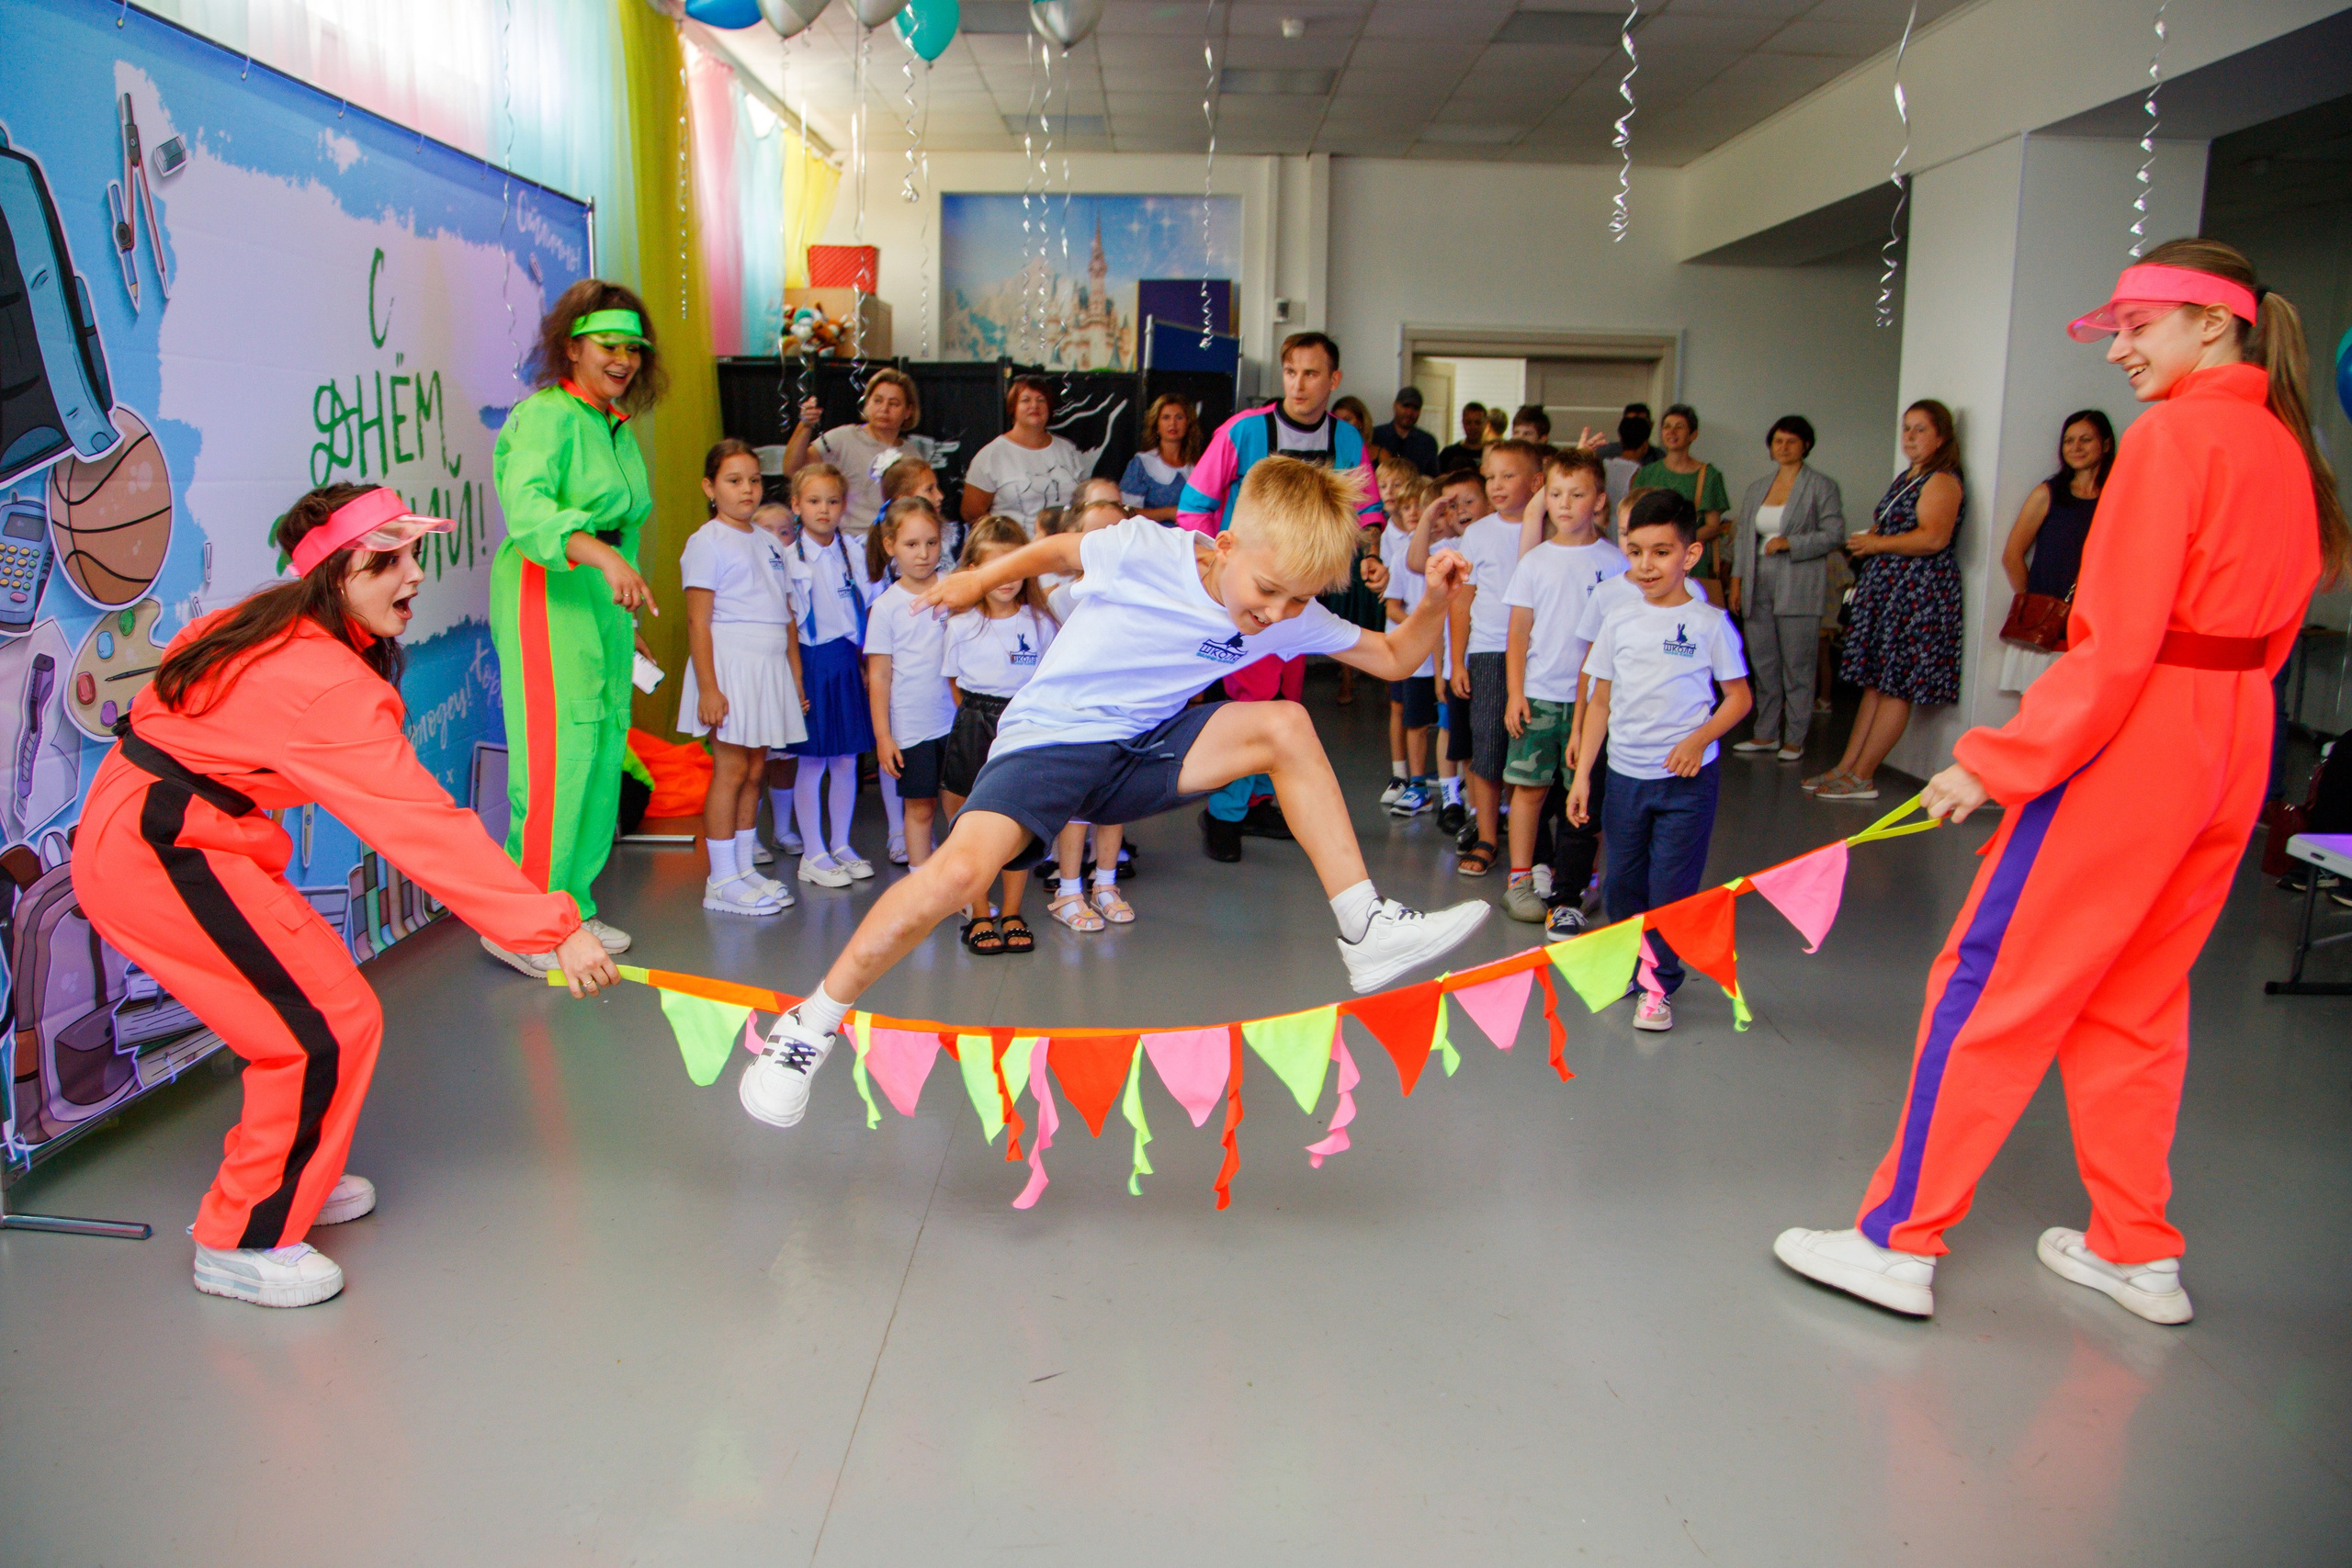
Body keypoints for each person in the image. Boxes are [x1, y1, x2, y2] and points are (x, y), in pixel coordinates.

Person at [1773, 240, 2344, 1325]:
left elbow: (2116, 645)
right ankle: (2137, 1248)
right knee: (2137, 999)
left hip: (2140, 740)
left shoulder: (2171, 436)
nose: (2119, 349)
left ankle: (1896, 1241)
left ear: (2213, 322)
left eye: (2138, 325)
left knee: (1988, 984)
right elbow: (2268, 643)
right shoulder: (2282, 446)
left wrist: (1994, 761)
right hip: (2235, 741)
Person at [737, 458, 1493, 1127]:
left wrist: (1435, 599)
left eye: (1297, 602)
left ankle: (1364, 926)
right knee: (959, 874)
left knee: (1287, 724)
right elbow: (1061, 550)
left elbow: (1395, 657)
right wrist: (976, 579)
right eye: (1268, 591)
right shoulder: (1149, 550)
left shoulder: (1285, 611)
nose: (1276, 615)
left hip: (1140, 751)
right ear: (1226, 545)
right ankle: (809, 1024)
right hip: (1050, 740)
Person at [74, 483, 616, 1307]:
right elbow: (423, 827)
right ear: (334, 573)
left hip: (185, 833)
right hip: (158, 849)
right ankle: (242, 1237)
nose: (415, 574)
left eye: (415, 556)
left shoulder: (278, 620)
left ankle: (294, 1174)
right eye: (388, 560)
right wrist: (555, 928)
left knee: (333, 1012)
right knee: (316, 1027)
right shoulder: (323, 678)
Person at [484, 280, 662, 974]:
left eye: (633, 349)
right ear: (571, 348)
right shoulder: (544, 417)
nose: (623, 360)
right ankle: (523, 924)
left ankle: (570, 907)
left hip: (599, 603)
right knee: (557, 757)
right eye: (609, 345)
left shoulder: (614, 424)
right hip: (548, 589)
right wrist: (602, 558)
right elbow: (529, 513)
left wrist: (624, 610)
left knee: (601, 747)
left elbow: (624, 527)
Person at [1180, 331, 1385, 862]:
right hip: (1249, 600)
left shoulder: (1346, 440)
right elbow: (1194, 507)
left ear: (1333, 380)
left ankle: (1258, 802)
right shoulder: (1243, 431)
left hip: (1300, 602)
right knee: (1250, 703)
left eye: (1311, 373)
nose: (1298, 384)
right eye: (1291, 372)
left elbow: (1367, 513)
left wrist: (1370, 553)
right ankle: (1223, 813)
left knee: (1287, 701)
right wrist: (1217, 576)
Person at [1566, 489, 1752, 1032]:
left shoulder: (1710, 624)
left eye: (1662, 552)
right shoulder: (1618, 620)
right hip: (1625, 778)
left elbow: (1738, 699)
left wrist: (1699, 740)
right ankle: (1630, 967)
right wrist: (1583, 776)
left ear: (1690, 555)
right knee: (1622, 884)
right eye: (1636, 551)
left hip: (1687, 783)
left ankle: (1658, 985)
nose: (1646, 565)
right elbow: (1600, 701)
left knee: (1671, 888)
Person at [1811, 401, 1966, 803]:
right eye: (1906, 429)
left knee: (1896, 684)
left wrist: (1877, 544)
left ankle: (1863, 775)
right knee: (1875, 684)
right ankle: (1847, 767)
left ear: (1941, 437)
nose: (1910, 437)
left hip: (1917, 593)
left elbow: (1933, 538)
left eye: (1920, 430)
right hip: (1891, 589)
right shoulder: (1909, 478)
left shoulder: (1942, 480)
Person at [1501, 448, 1627, 926]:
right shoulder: (1535, 561)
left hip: (1594, 702)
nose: (1565, 504)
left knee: (1585, 794)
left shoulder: (1616, 562)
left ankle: (1581, 880)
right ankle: (1520, 879)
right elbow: (1518, 632)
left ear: (1599, 500)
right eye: (1556, 494)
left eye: (1577, 494)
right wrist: (1515, 693)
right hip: (1538, 694)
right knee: (1529, 790)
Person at [680, 439, 806, 916]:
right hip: (731, 666)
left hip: (767, 667)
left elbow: (785, 614)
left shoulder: (768, 541)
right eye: (733, 481)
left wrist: (793, 678)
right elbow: (698, 621)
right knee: (731, 770)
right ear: (709, 487)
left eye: (754, 479)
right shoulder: (706, 541)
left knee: (756, 769)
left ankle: (742, 866)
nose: (747, 489)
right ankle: (720, 879)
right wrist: (709, 688)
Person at [936, 514, 1059, 956]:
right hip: (975, 722)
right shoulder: (961, 624)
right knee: (969, 823)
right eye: (995, 568)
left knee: (1016, 821)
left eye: (1014, 567)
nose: (1006, 579)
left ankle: (1011, 911)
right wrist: (977, 717)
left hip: (1022, 723)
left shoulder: (1040, 622)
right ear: (974, 572)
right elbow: (954, 683)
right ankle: (979, 912)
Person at [1430, 440, 1547, 877]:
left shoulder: (1549, 529)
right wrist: (1459, 661)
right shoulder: (1477, 534)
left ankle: (1532, 839)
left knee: (1529, 747)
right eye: (1490, 476)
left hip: (1539, 653)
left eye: (1508, 476)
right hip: (1489, 651)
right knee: (1487, 746)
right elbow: (1463, 601)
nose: (1496, 485)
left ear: (1536, 482)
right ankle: (1487, 836)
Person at [1040, 499, 1138, 932]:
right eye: (1094, 535)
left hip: (1122, 714)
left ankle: (1106, 883)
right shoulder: (1059, 600)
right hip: (1075, 717)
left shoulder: (1138, 597)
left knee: (1114, 803)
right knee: (1077, 807)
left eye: (1116, 534)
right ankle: (1068, 890)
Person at [1727, 415, 1848, 762]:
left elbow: (1834, 534)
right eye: (1778, 441)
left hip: (1799, 582)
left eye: (1791, 441)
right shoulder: (1758, 487)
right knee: (1763, 662)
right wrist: (1736, 583)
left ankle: (1794, 737)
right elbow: (1743, 541)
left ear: (1806, 445)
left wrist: (1791, 542)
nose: (1783, 447)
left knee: (1798, 664)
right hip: (1757, 581)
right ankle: (1765, 733)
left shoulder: (1821, 486)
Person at [783, 465, 877, 885]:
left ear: (844, 505)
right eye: (814, 501)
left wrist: (864, 663)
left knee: (845, 759)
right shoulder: (789, 560)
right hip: (811, 661)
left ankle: (840, 843)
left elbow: (866, 607)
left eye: (833, 501)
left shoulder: (852, 552)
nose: (824, 510)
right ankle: (813, 851)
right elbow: (789, 622)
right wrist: (796, 678)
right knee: (812, 760)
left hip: (845, 660)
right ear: (796, 505)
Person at [865, 498, 958, 876]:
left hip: (956, 720)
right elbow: (879, 676)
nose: (923, 554)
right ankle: (922, 889)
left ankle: (965, 887)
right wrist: (883, 736)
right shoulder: (886, 607)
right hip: (913, 727)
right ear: (890, 546)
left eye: (931, 543)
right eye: (911, 544)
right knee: (920, 808)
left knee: (960, 807)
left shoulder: (955, 589)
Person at [1997, 410, 2116, 694]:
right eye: (2069, 441)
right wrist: (2037, 605)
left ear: (2106, 444)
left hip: (2097, 625)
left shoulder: (2117, 497)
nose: (2076, 448)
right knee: (2039, 707)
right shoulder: (2048, 494)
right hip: (2047, 631)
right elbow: (2012, 555)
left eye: (2085, 440)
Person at [782, 367, 923, 542]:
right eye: (878, 401)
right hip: (849, 540)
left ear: (908, 411)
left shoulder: (912, 454)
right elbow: (792, 469)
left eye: (894, 403)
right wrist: (805, 426)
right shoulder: (843, 438)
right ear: (867, 403)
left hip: (895, 541)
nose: (884, 409)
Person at [1380, 474, 1440, 817]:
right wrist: (1424, 625)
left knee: (1441, 718)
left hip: (1439, 655)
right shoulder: (1402, 555)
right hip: (1408, 652)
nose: (1414, 512)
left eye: (1421, 506)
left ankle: (1449, 784)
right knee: (1406, 713)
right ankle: (1406, 778)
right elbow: (1392, 608)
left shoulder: (1451, 550)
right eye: (1408, 507)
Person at [963, 375, 1090, 533]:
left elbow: (1084, 500)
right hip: (1015, 545)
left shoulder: (1068, 450)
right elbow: (971, 512)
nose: (1034, 405)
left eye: (1041, 400)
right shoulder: (991, 455)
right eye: (1025, 400)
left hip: (1065, 543)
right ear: (1012, 408)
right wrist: (1004, 537)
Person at [1632, 405, 1731, 565]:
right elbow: (1634, 517)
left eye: (1679, 427)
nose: (1672, 432)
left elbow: (1713, 527)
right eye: (1667, 427)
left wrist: (1675, 544)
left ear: (1693, 434)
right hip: (1650, 558)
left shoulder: (1709, 475)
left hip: (1689, 560)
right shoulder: (1646, 473)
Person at [1120, 394, 1203, 523]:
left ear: (1188, 424)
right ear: (1157, 426)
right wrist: (1168, 513)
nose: (1173, 423)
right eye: (1166, 417)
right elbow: (1126, 512)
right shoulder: (1142, 464)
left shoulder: (1198, 466)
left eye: (1179, 417)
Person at [1371, 386, 1440, 475]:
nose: (1409, 413)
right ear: (1395, 406)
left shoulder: (1428, 442)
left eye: (1415, 408)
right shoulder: (1376, 435)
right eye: (1405, 406)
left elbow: (1432, 477)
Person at [1436, 401, 1489, 477]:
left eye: (1477, 423)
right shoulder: (1448, 454)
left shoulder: (1492, 452)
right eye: (1468, 422)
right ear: (1463, 423)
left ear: (1486, 423)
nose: (1473, 427)